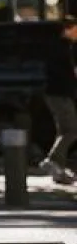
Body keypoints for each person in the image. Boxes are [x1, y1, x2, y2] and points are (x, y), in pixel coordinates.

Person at [40, 16, 77, 185]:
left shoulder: (62, 46)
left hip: (58, 93)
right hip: (59, 93)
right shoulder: (61, 47)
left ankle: (58, 171)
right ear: (68, 29)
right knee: (71, 129)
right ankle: (52, 160)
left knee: (63, 131)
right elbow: (67, 72)